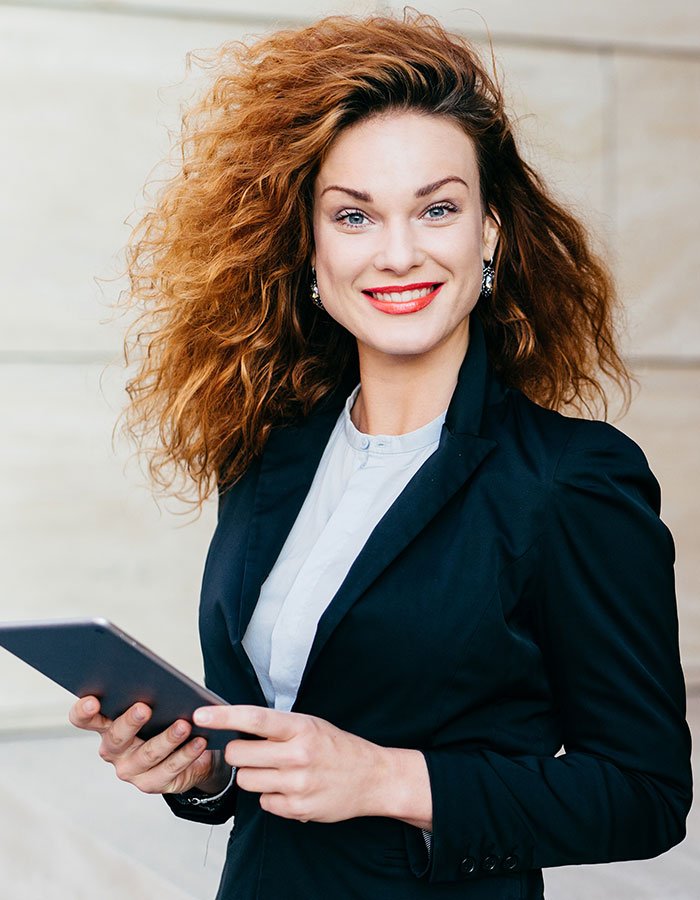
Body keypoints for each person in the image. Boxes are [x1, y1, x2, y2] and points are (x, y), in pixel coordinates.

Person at [69, 11, 693, 899]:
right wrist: (201, 774)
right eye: (355, 216)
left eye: (437, 208)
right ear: (312, 255)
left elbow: (645, 793)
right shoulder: (268, 455)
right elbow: (268, 752)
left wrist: (386, 779)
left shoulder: (570, 480)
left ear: (490, 234)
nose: (398, 253)